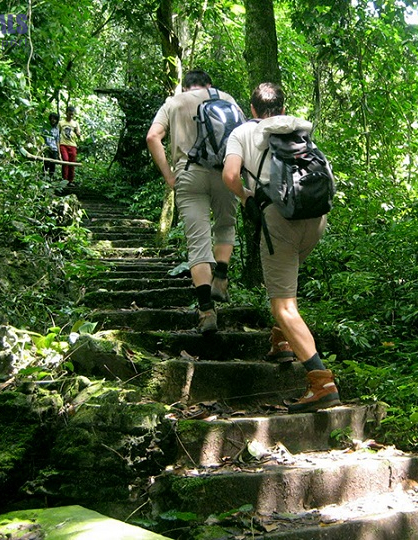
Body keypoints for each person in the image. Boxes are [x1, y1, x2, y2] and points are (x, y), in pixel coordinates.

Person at [222, 82, 340, 414]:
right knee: (286, 284)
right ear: (282, 107)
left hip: (280, 218)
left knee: (283, 306)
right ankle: (282, 341)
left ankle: (322, 382)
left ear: (253, 108)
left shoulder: (242, 132)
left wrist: (246, 196)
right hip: (315, 217)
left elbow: (231, 175)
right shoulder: (297, 130)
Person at [146, 70, 243, 334]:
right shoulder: (227, 98)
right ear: (208, 85)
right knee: (225, 224)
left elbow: (152, 136)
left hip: (188, 173)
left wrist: (169, 175)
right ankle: (221, 277)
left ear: (185, 86)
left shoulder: (174, 102)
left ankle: (206, 310)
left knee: (197, 241)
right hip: (224, 171)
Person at [59, 105, 81, 183]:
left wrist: (77, 133)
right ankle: (64, 180)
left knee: (72, 163)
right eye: (69, 114)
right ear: (66, 113)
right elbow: (57, 133)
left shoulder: (75, 123)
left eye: (72, 114)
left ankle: (70, 181)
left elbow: (79, 135)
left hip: (72, 145)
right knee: (65, 160)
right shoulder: (61, 123)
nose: (71, 116)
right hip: (63, 144)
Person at [42, 112, 60, 177]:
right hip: (46, 147)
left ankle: (51, 177)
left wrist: (59, 151)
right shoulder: (45, 127)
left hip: (54, 148)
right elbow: (42, 137)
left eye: (55, 119)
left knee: (53, 163)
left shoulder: (57, 129)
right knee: (46, 162)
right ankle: (43, 175)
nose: (53, 120)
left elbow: (57, 140)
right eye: (52, 118)